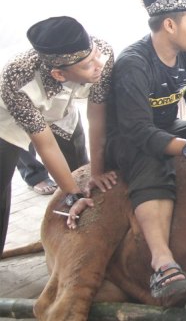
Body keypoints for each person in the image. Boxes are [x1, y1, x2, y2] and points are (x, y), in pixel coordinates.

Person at [106, 0, 186, 300]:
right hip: (130, 137)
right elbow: (138, 132)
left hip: (166, 126)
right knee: (152, 158)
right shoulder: (134, 64)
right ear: (170, 26)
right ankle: (162, 261)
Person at [0, 16, 116, 254]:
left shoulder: (101, 53)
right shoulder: (16, 77)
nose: (99, 66)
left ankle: (76, 245)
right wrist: (71, 194)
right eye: (88, 65)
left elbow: (96, 117)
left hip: (63, 108)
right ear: (59, 74)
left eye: (95, 56)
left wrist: (96, 170)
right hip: (9, 120)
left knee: (81, 172)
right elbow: (46, 146)